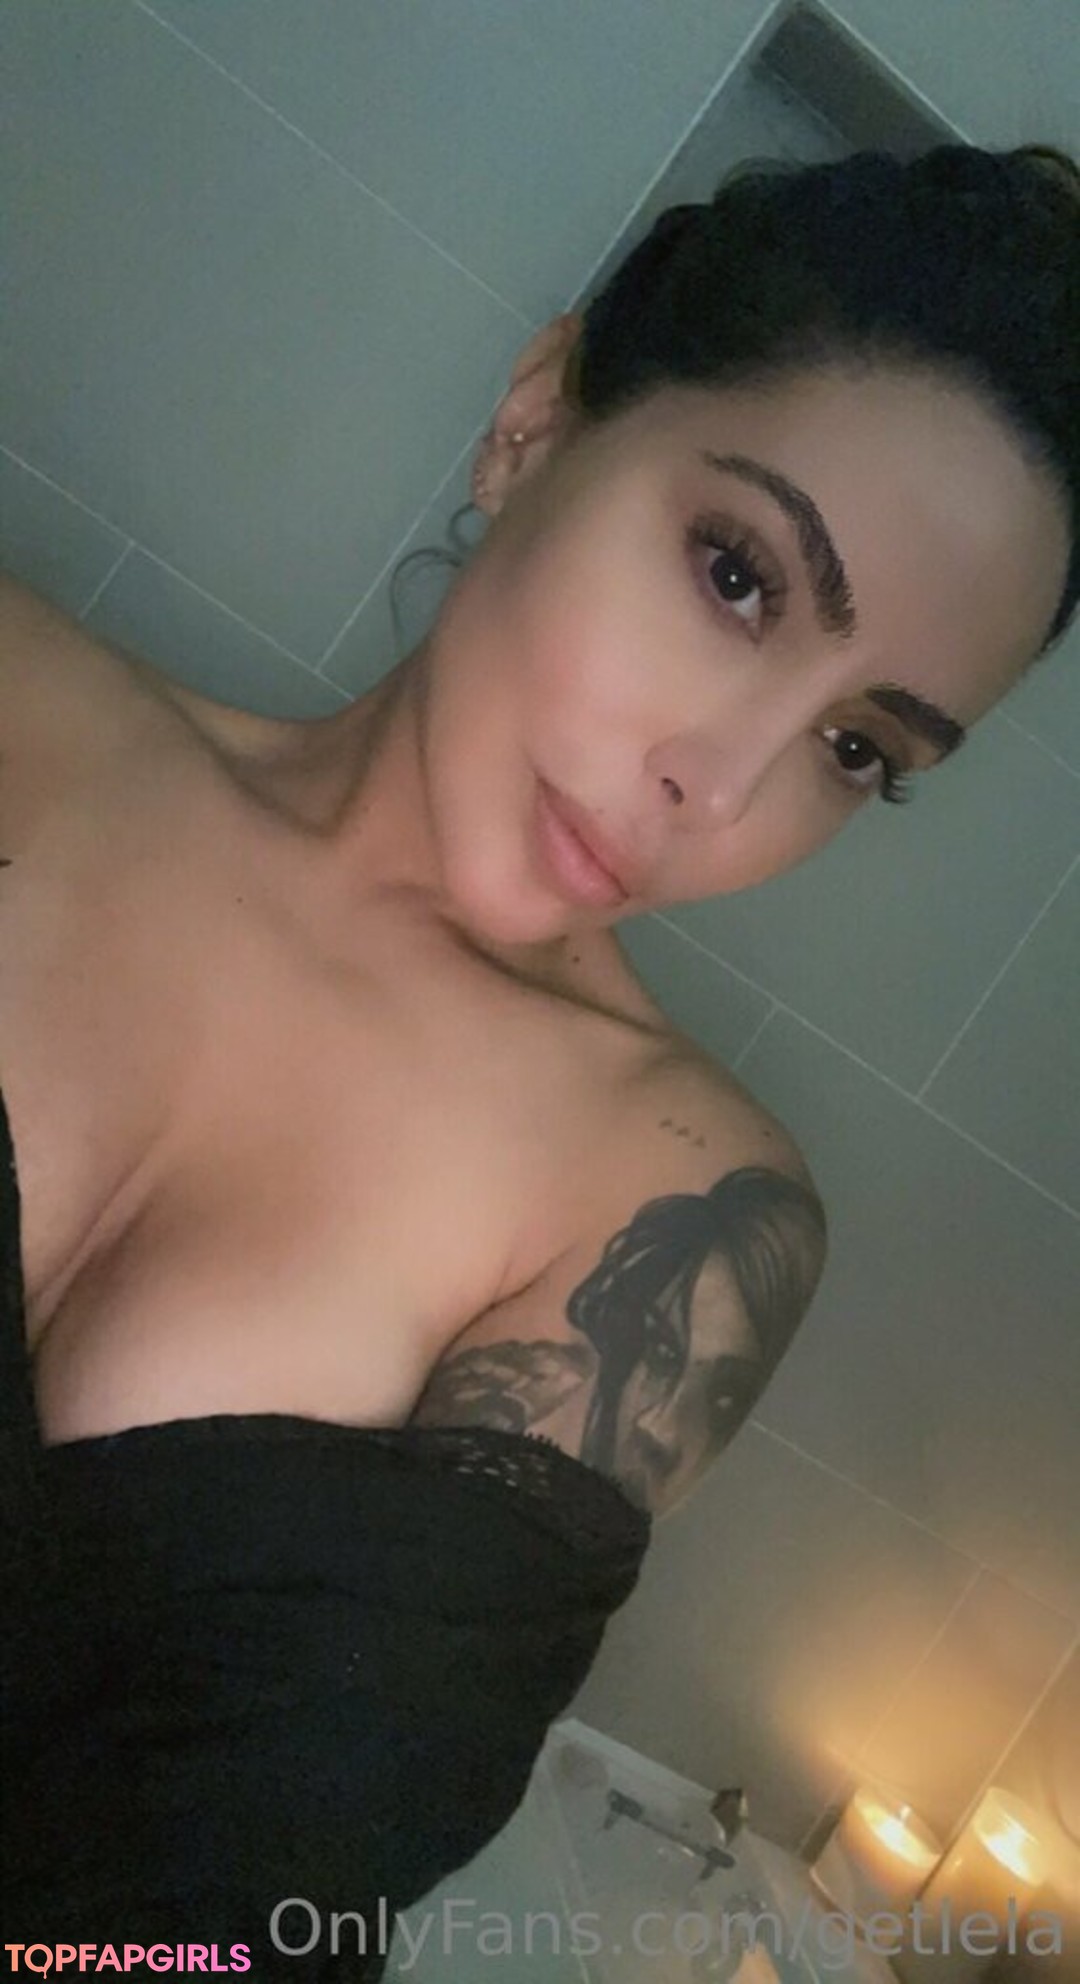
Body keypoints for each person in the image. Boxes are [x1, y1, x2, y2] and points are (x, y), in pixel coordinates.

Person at [1, 142, 1077, 1975]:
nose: (718, 786)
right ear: (536, 422)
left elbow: (233, 1926)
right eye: (737, 576)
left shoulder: (680, 1203)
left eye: (860, 751)